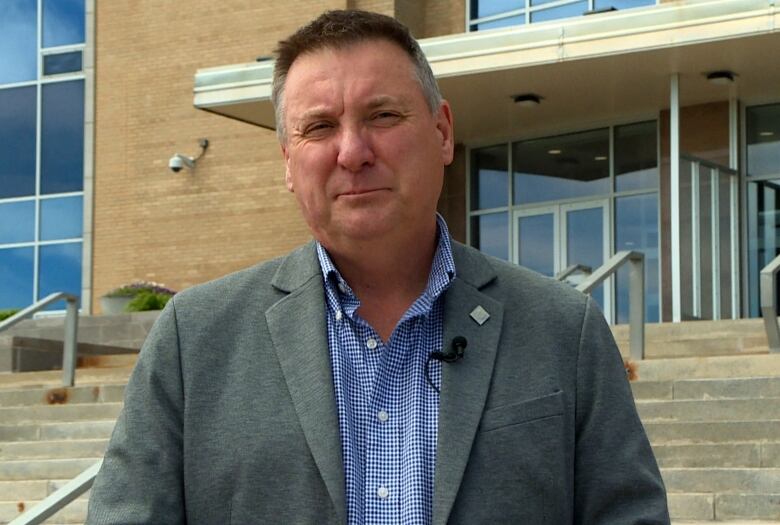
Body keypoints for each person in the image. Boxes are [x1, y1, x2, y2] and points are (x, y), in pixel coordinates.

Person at [86, 10, 669, 525]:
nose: (352, 151)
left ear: (442, 132)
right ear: (289, 162)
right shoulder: (195, 340)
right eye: (318, 127)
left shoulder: (565, 329)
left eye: (383, 116)